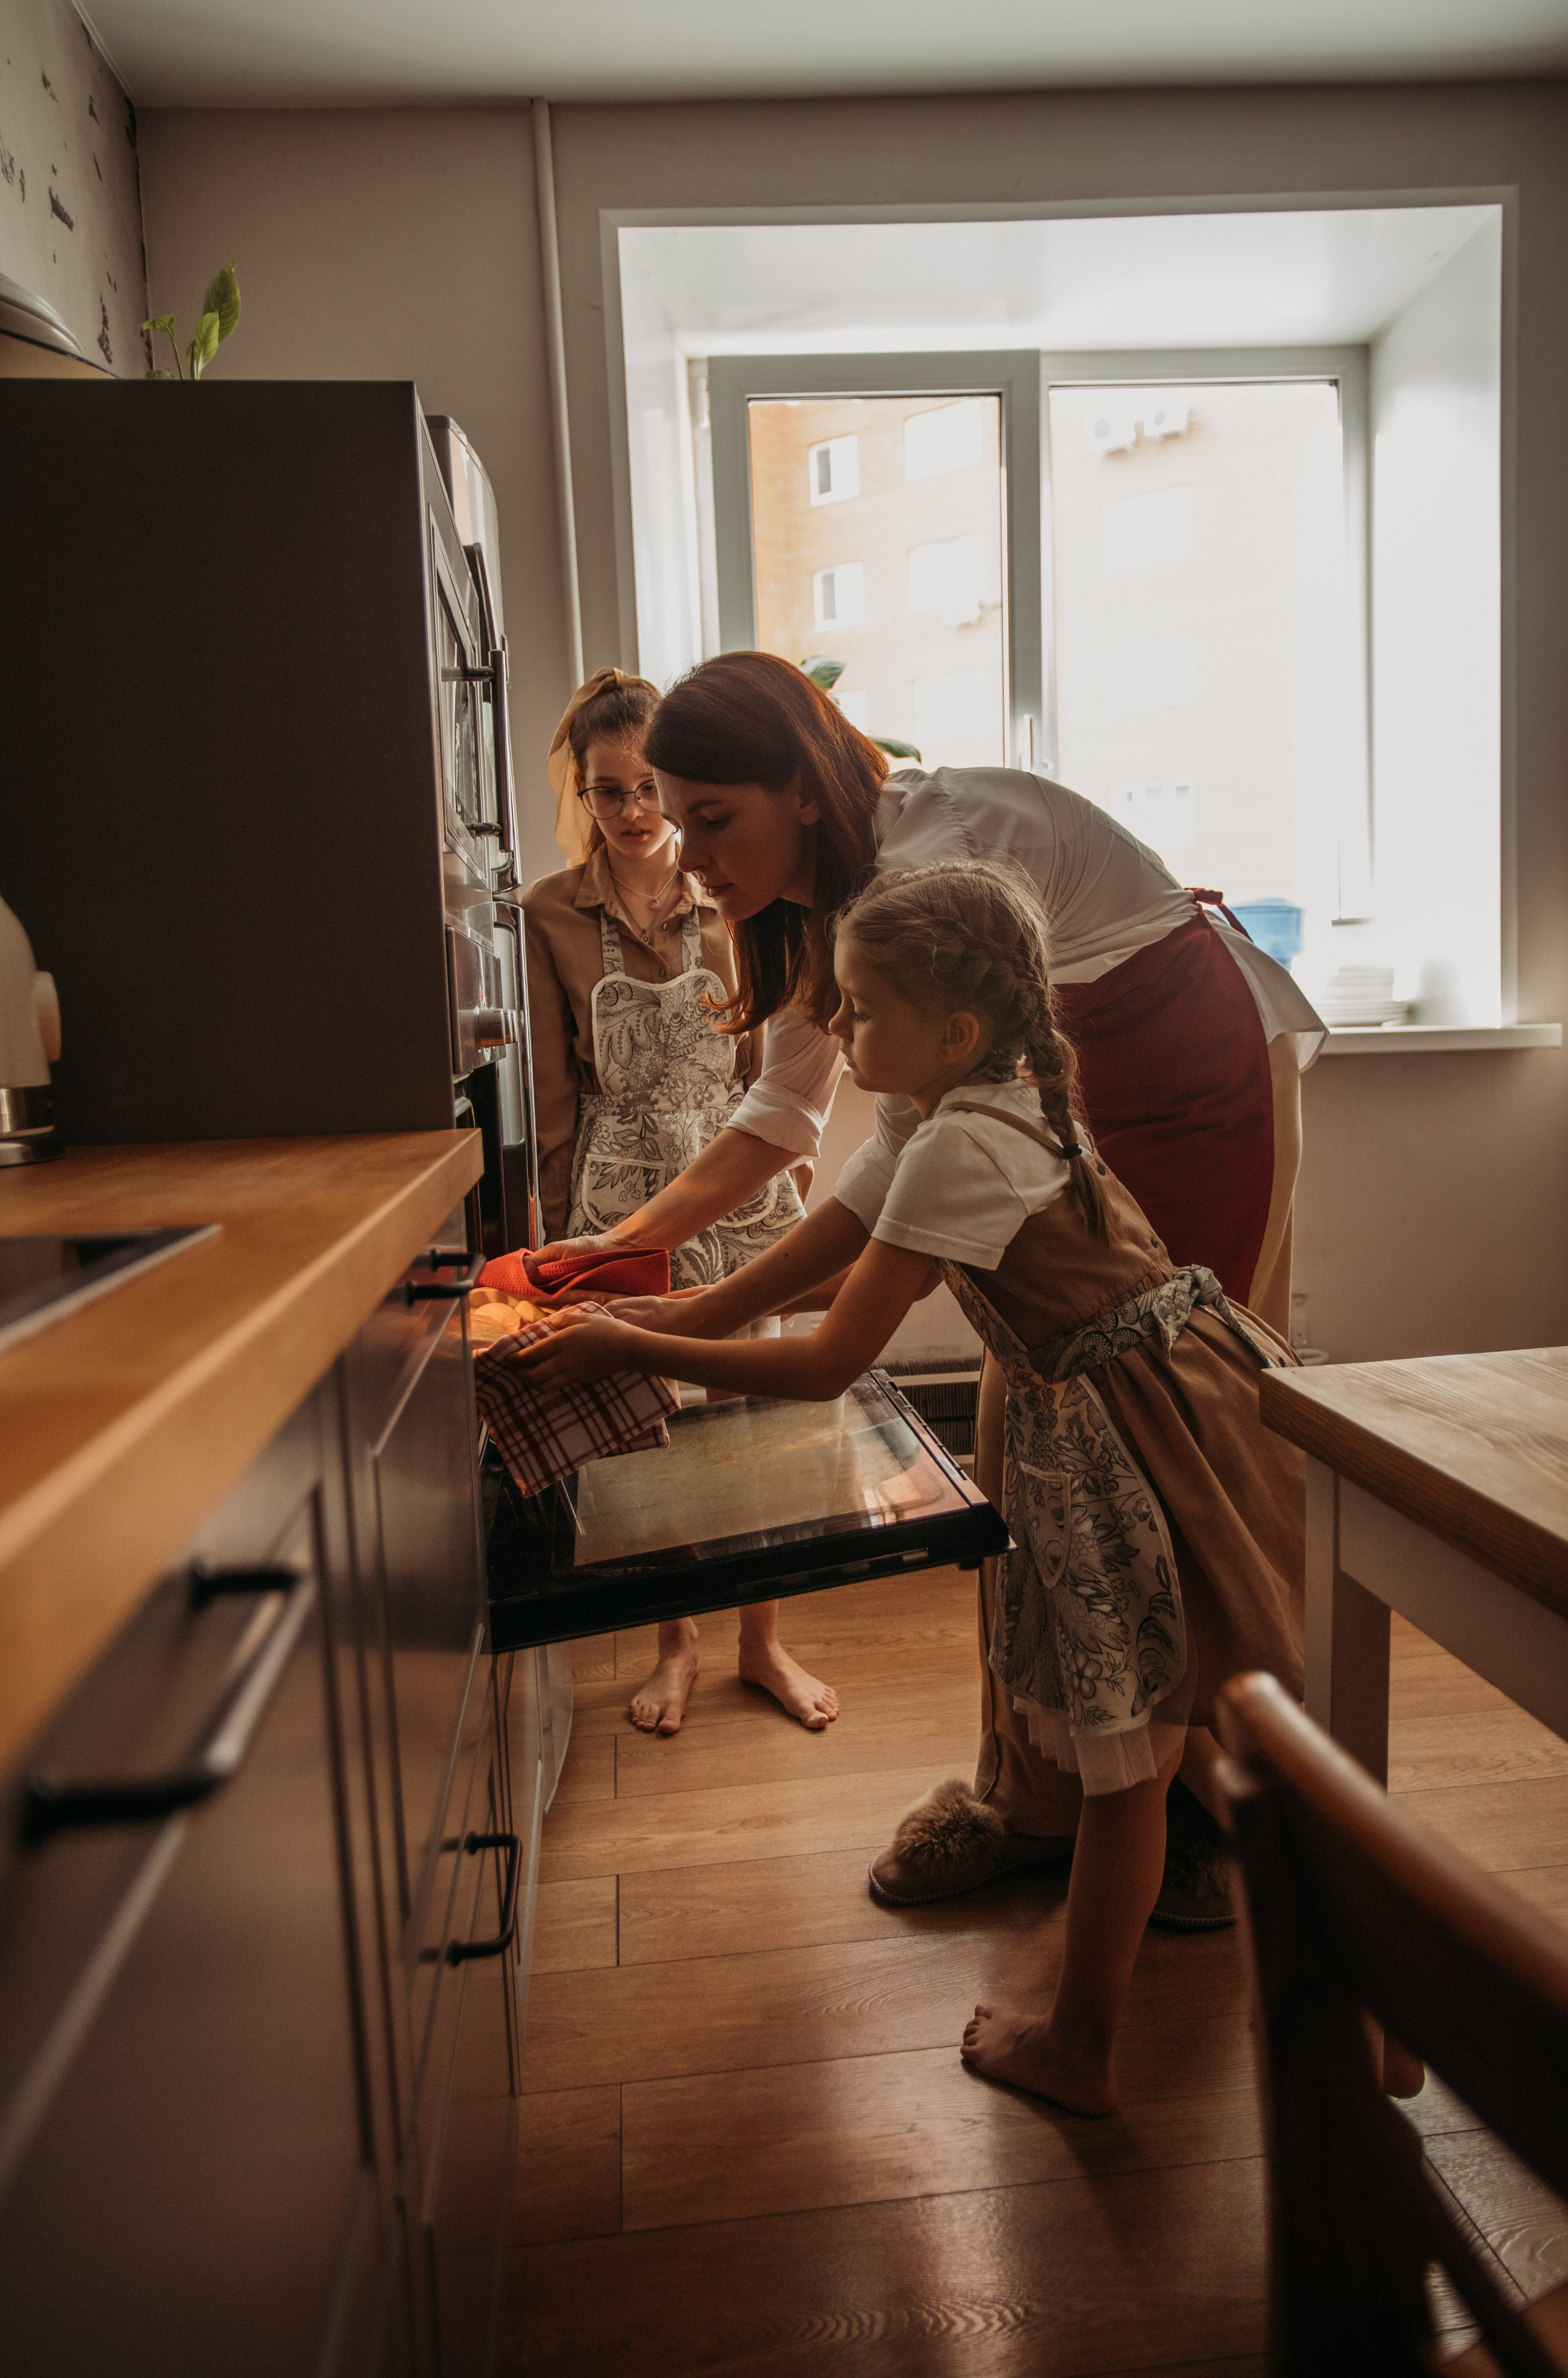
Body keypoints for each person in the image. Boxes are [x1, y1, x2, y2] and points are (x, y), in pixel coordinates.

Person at [528, 651, 1323, 1910]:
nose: (683, 855)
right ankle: (1042, 1796)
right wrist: (650, 1275)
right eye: (672, 821)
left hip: (1178, 1067)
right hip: (1062, 1077)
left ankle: (1193, 1809)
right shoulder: (824, 906)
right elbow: (791, 1118)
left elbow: (890, 1167)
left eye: (708, 819)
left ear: (798, 786)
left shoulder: (925, 874)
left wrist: (674, 1321)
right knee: (1037, 1440)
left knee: (1160, 1443)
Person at [515, 861, 1305, 2115]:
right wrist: (631, 1293)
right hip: (1124, 1407)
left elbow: (830, 1360)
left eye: (860, 1009)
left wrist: (624, 1345)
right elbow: (787, 1272)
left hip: (1126, 1439)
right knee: (1163, 1737)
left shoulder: (961, 1147)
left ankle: (1085, 2044)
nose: (836, 1030)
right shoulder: (948, 1113)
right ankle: (1318, 1982)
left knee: (1125, 1759)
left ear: (953, 1031)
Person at [517, 668, 828, 1736]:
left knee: (758, 1418)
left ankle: (764, 1645)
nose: (639, 814)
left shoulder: (738, 884)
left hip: (734, 1176)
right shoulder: (547, 916)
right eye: (611, 792)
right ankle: (677, 1643)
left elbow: (778, 1068)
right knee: (650, 1427)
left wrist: (788, 1184)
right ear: (584, 795)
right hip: (618, 1187)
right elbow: (556, 1100)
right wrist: (562, 1237)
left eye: (652, 787)